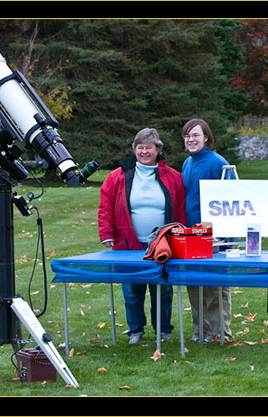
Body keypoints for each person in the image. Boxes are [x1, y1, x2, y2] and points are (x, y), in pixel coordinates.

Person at [98, 128, 187, 344]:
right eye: (140, 147)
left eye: (149, 147)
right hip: (128, 243)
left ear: (158, 150)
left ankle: (163, 331)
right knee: (131, 290)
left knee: (163, 290)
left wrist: (181, 234)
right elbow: (105, 206)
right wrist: (106, 233)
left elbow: (182, 211)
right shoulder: (117, 176)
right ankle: (135, 330)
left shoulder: (174, 177)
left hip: (164, 245)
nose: (144, 151)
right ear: (134, 150)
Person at [181, 118, 235, 343]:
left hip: (216, 235)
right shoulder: (187, 163)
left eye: (195, 135)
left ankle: (220, 333)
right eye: (187, 136)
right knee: (194, 284)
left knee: (215, 286)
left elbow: (233, 200)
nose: (191, 139)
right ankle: (200, 331)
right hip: (193, 234)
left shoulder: (218, 163)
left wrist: (224, 236)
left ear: (206, 137)